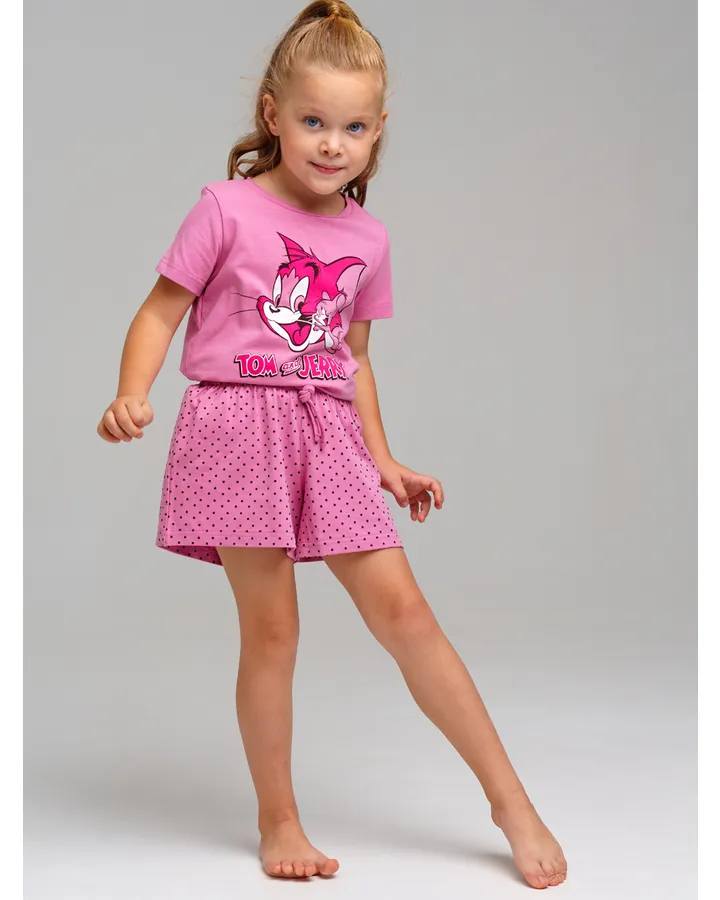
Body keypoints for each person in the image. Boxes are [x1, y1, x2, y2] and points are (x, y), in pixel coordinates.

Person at [96, 0, 567, 888]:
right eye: (313, 121)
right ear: (272, 113)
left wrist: (382, 460)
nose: (331, 144)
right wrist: (132, 392)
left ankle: (510, 801)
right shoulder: (225, 208)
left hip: (327, 431)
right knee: (273, 632)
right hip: (236, 429)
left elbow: (355, 360)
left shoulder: (366, 236)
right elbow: (160, 311)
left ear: (378, 130)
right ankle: (278, 817)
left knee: (407, 615)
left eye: (353, 127)